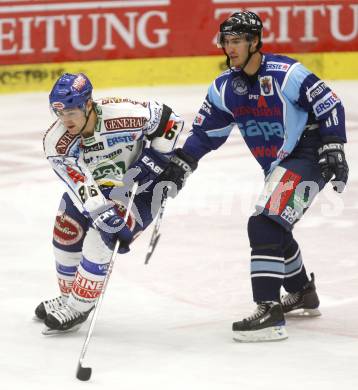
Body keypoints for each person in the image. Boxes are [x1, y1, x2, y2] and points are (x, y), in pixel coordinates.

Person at [157, 10, 349, 342]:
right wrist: (182, 162)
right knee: (277, 228)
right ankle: (303, 292)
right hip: (279, 165)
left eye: (237, 42)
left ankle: (269, 311)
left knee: (263, 223)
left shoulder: (286, 73)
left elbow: (329, 104)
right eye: (226, 42)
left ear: (255, 41)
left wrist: (333, 145)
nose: (229, 49)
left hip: (308, 156)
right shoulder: (224, 88)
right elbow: (206, 134)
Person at [36, 73, 183, 334]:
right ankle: (71, 297)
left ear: (88, 104)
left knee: (100, 242)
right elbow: (80, 183)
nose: (65, 120)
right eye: (59, 113)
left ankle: (78, 308)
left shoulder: (123, 113)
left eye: (71, 111)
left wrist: (158, 157)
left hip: (141, 189)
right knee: (66, 230)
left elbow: (171, 120)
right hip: (95, 187)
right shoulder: (56, 142)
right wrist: (104, 215)